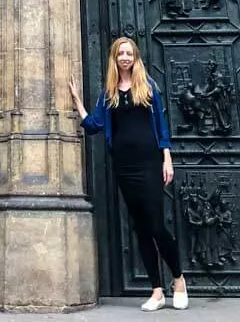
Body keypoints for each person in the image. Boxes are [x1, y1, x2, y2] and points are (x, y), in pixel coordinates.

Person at [69, 38, 188, 312]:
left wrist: (166, 158)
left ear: (135, 57)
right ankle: (157, 291)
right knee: (141, 229)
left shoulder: (148, 87)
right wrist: (77, 101)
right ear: (114, 58)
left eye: (128, 53)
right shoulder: (108, 93)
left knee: (157, 225)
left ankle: (178, 279)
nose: (124, 57)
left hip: (149, 163)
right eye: (120, 53)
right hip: (124, 166)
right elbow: (94, 125)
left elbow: (161, 125)